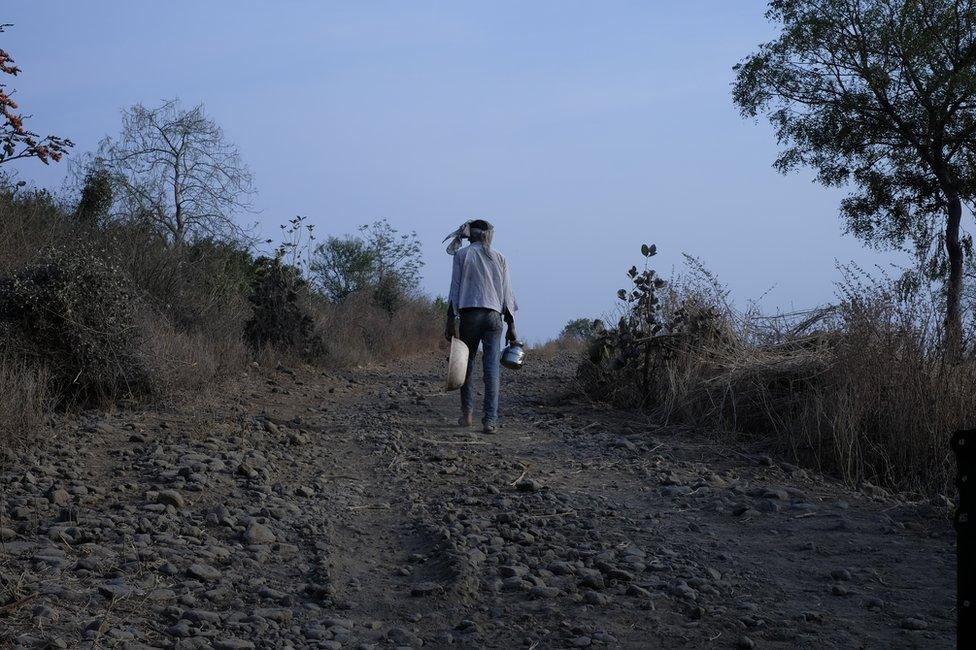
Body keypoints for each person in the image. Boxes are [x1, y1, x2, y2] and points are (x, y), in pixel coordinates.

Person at [443, 219, 518, 433]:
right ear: (486, 235)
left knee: (466, 364)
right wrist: (512, 326)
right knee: (492, 368)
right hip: (494, 317)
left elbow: (454, 290)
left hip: (470, 315)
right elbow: (508, 294)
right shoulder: (500, 257)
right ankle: (490, 421)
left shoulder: (462, 255)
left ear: (471, 236)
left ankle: (467, 415)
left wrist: (450, 320)